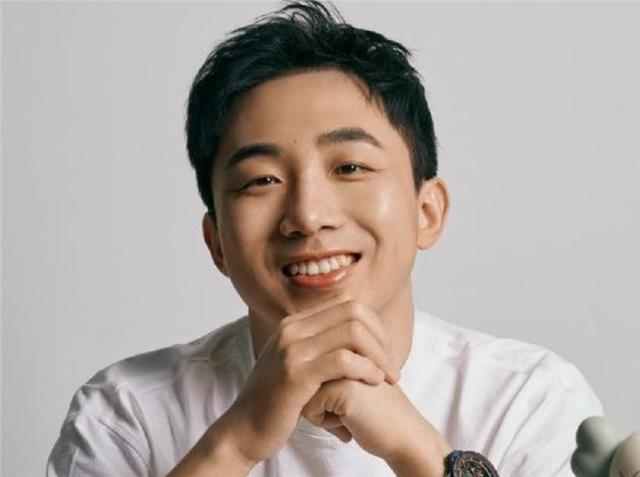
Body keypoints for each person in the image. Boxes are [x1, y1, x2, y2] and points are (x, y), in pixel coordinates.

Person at [46, 1, 603, 476]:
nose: (309, 217)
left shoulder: (526, 397)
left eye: (350, 167)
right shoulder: (126, 412)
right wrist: (236, 443)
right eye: (262, 179)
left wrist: (416, 449)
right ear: (216, 242)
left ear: (427, 212)